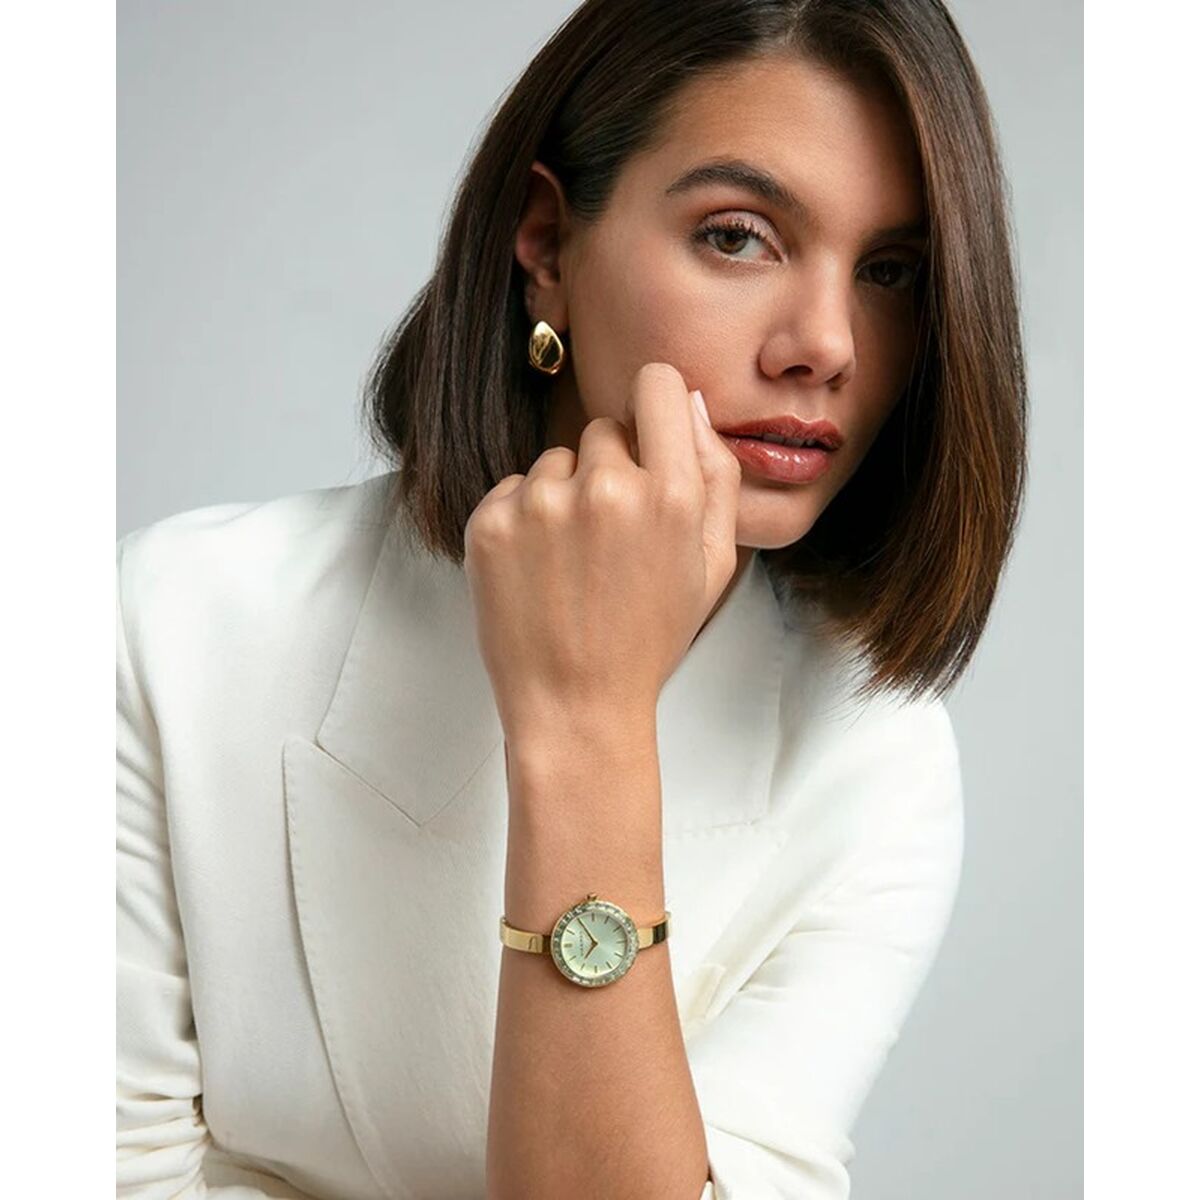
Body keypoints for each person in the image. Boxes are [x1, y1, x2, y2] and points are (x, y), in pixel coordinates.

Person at [116, 1, 1026, 1197]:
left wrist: (587, 728)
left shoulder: (877, 764)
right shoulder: (171, 623)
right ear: (547, 241)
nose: (826, 344)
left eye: (891, 272)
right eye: (740, 237)